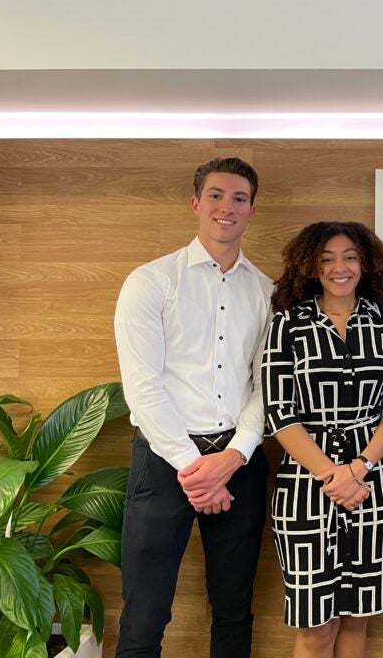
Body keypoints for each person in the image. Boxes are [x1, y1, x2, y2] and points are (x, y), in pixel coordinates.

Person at [113, 157, 273, 658]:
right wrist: (194, 470)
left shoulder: (267, 292)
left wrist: (233, 457)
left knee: (233, 608)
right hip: (163, 463)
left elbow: (267, 384)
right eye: (217, 196)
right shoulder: (151, 281)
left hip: (238, 465)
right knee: (146, 610)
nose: (227, 207)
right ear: (196, 203)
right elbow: (142, 386)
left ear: (252, 209)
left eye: (240, 198)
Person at [260, 221, 383, 658]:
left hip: (373, 485)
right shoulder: (288, 324)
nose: (339, 267)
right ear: (310, 266)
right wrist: (333, 475)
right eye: (326, 259)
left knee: (356, 621)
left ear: (365, 263)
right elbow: (279, 413)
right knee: (316, 628)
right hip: (307, 490)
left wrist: (358, 468)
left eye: (349, 257)